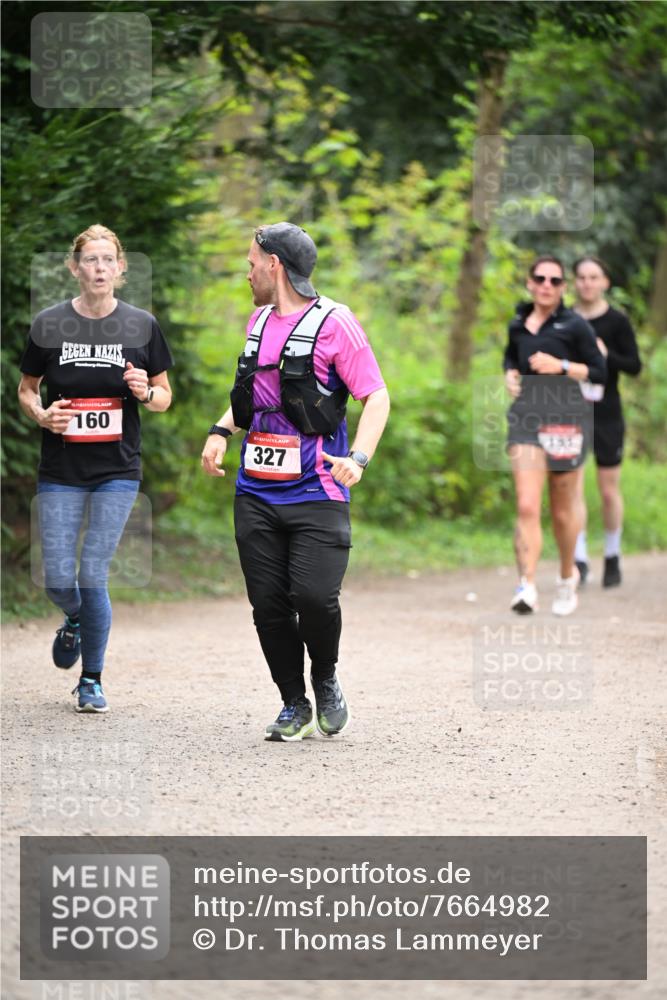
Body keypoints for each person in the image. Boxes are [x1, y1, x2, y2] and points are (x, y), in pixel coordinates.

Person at [201, 222, 389, 741]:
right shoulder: (257, 321)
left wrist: (359, 457)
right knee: (268, 605)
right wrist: (221, 429)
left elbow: (376, 396)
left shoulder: (336, 322)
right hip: (256, 491)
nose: (247, 272)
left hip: (318, 489)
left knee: (315, 597)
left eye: (251, 262)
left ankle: (325, 679)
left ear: (274, 265)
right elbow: (256, 398)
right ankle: (293, 703)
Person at [18, 224, 174, 713]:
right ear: (74, 268)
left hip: (117, 470)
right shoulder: (48, 324)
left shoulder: (141, 326)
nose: (100, 268)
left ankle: (91, 680)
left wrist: (145, 392)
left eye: (109, 260)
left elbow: (165, 397)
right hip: (61, 467)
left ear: (121, 268)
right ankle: (76, 621)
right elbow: (26, 388)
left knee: (92, 574)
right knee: (58, 577)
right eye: (91, 260)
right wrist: (42, 415)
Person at [503, 256, 606, 616]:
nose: (547, 285)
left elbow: (600, 371)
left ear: (563, 287)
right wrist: (510, 376)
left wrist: (560, 366)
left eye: (555, 280)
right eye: (540, 278)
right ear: (529, 282)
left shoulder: (575, 325)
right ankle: (527, 584)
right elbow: (510, 359)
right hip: (526, 420)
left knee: (562, 512)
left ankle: (566, 576)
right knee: (527, 504)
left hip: (567, 421)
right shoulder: (518, 323)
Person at [572, 256, 642, 587]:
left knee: (608, 488)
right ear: (575, 282)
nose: (587, 283)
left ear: (605, 282)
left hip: (607, 413)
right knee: (572, 485)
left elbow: (634, 366)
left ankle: (612, 554)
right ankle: (580, 558)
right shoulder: (567, 320)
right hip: (571, 411)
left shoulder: (617, 322)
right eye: (581, 277)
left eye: (593, 277)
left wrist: (605, 355)